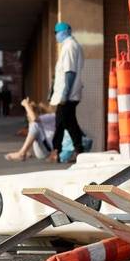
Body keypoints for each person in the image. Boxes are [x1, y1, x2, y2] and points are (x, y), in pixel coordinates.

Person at [47, 21, 84, 162]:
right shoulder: (72, 46)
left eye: (56, 33)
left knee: (62, 123)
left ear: (63, 32)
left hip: (68, 94)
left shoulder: (69, 46)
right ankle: (78, 151)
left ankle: (57, 151)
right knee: (68, 122)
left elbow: (70, 72)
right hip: (69, 94)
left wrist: (65, 94)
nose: (56, 36)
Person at [5, 97, 51, 161]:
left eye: (28, 114)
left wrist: (26, 105)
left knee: (34, 125)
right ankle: (24, 152)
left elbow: (34, 119)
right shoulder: (41, 122)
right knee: (34, 126)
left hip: (49, 152)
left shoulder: (50, 117)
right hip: (47, 150)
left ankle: (21, 153)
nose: (27, 116)